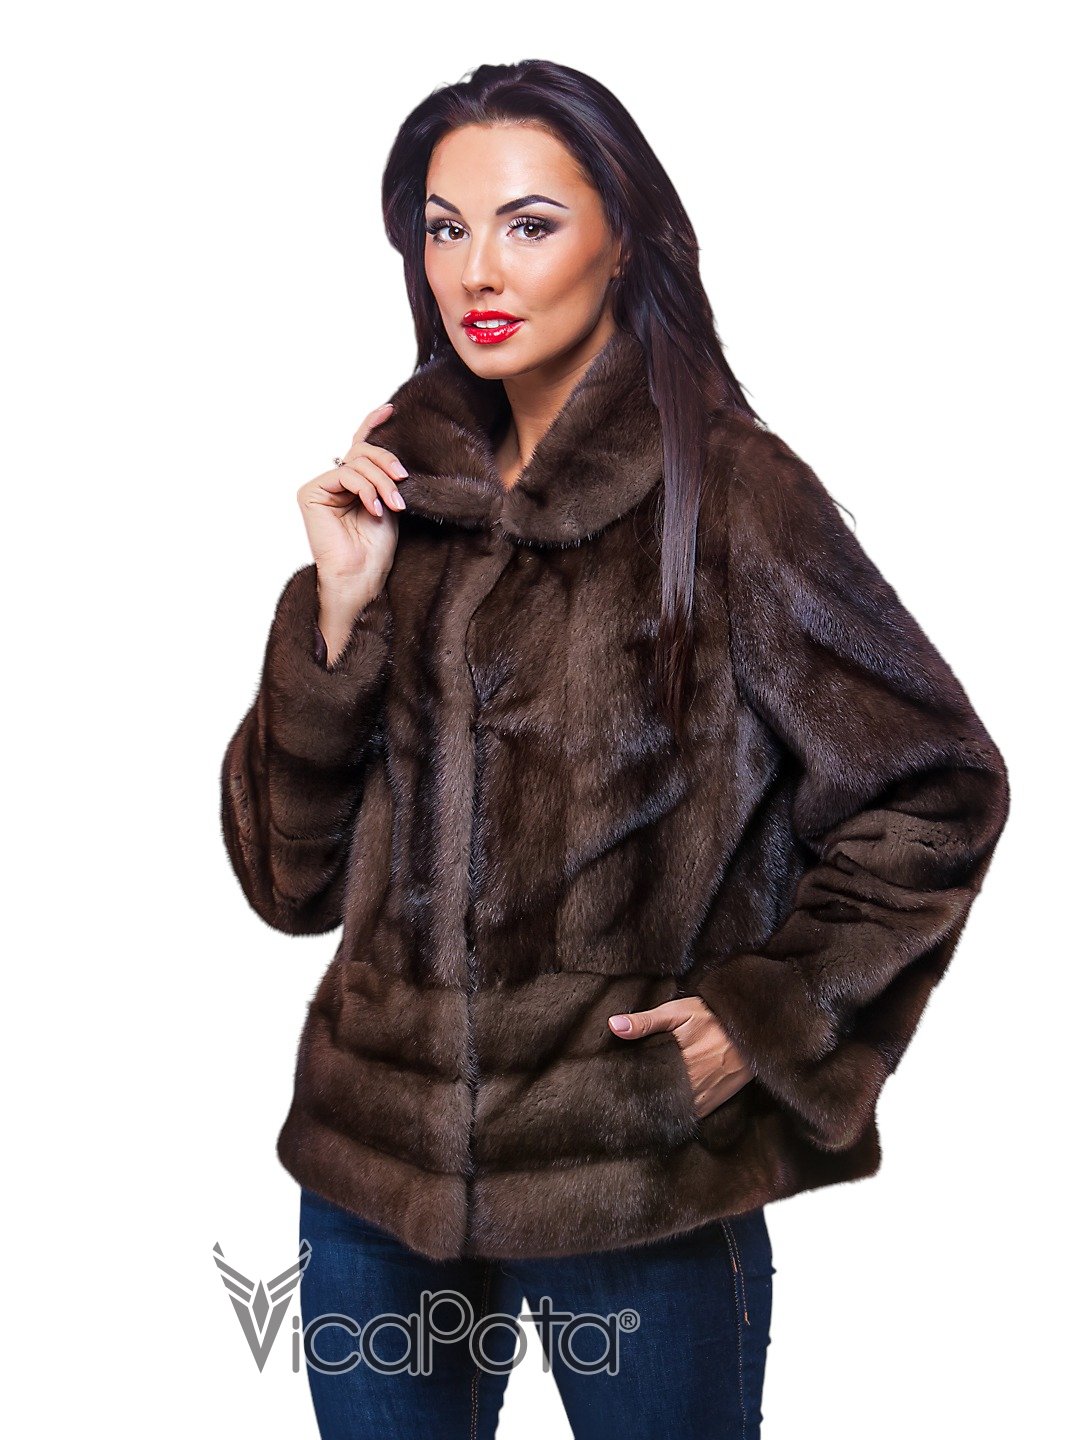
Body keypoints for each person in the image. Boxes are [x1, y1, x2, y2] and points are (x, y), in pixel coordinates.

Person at [220, 60, 1010, 1439]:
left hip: (633, 1175)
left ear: (626, 238)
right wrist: (337, 614)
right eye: (446, 226)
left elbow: (932, 790)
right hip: (371, 1181)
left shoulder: (733, 492)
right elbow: (288, 886)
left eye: (529, 224)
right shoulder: (402, 504)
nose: (478, 268)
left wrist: (766, 1019)